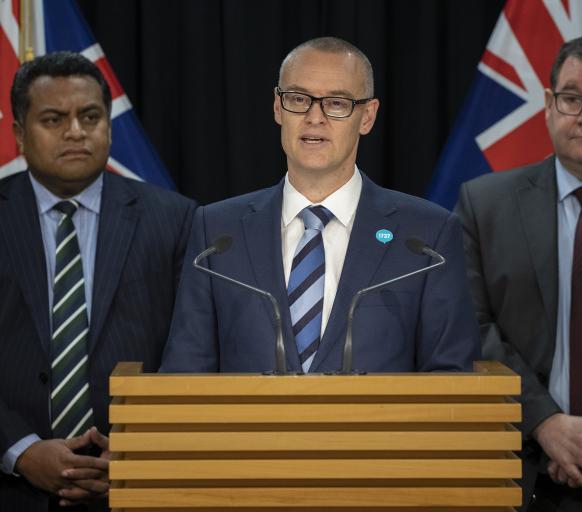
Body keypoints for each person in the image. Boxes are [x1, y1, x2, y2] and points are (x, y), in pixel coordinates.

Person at [161, 36, 480, 375]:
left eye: (337, 103)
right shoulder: (217, 232)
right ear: (277, 107)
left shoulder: (427, 236)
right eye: (298, 99)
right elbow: (185, 373)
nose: (315, 117)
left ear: (368, 116)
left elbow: (452, 377)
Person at [0, 52, 196, 511]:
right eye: (54, 118)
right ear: (18, 134)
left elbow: (193, 352)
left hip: (141, 485)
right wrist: (21, 451)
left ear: (109, 124)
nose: (75, 131)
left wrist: (139, 450)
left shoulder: (176, 219)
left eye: (90, 116)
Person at [455, 34, 582, 511]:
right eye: (573, 98)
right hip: (519, 469)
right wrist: (546, 423)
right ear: (549, 105)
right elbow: (470, 329)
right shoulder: (483, 205)